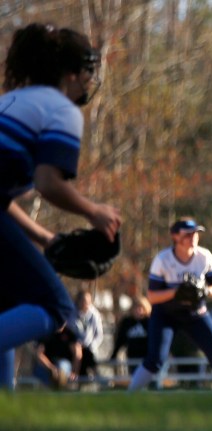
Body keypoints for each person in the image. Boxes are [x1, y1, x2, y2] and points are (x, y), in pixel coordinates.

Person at [0, 23, 121, 389]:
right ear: (70, 73)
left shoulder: (11, 100)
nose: (89, 80)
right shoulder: (61, 109)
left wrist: (46, 237)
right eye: (87, 70)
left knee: (6, 307)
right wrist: (92, 210)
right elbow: (48, 182)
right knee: (56, 306)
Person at [127, 218, 212, 395]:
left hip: (195, 313)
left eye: (195, 233)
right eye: (187, 234)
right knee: (155, 360)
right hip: (166, 314)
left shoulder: (204, 256)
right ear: (175, 236)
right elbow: (152, 297)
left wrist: (205, 291)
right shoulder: (163, 259)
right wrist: (177, 292)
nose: (192, 237)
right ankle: (128, 396)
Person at [110, 296, 151, 374]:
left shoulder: (150, 322)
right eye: (136, 308)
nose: (138, 310)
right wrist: (114, 354)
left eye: (141, 307)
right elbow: (120, 340)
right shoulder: (127, 322)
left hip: (147, 359)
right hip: (132, 357)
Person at [33, 326, 83, 390]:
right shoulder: (46, 333)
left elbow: (77, 354)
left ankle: (61, 389)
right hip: (48, 365)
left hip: (65, 365)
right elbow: (39, 354)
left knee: (61, 365)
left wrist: (74, 372)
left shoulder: (69, 333)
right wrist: (51, 367)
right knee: (38, 371)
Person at [73, 289, 103, 378]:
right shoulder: (72, 314)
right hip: (75, 348)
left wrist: (91, 346)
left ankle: (100, 381)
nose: (85, 304)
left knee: (89, 359)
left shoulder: (94, 314)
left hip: (89, 349)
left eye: (87, 302)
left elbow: (99, 335)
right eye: (83, 301)